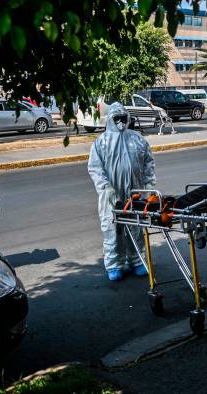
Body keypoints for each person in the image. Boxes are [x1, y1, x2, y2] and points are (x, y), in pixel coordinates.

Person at [88, 102, 156, 281]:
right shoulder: (101, 142)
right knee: (113, 231)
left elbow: (148, 163)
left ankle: (138, 261)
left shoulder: (137, 139)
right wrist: (105, 187)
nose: (120, 122)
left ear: (128, 119)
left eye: (123, 118)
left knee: (137, 229)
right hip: (111, 196)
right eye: (116, 118)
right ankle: (114, 265)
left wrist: (149, 187)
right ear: (110, 119)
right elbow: (95, 168)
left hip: (136, 194)